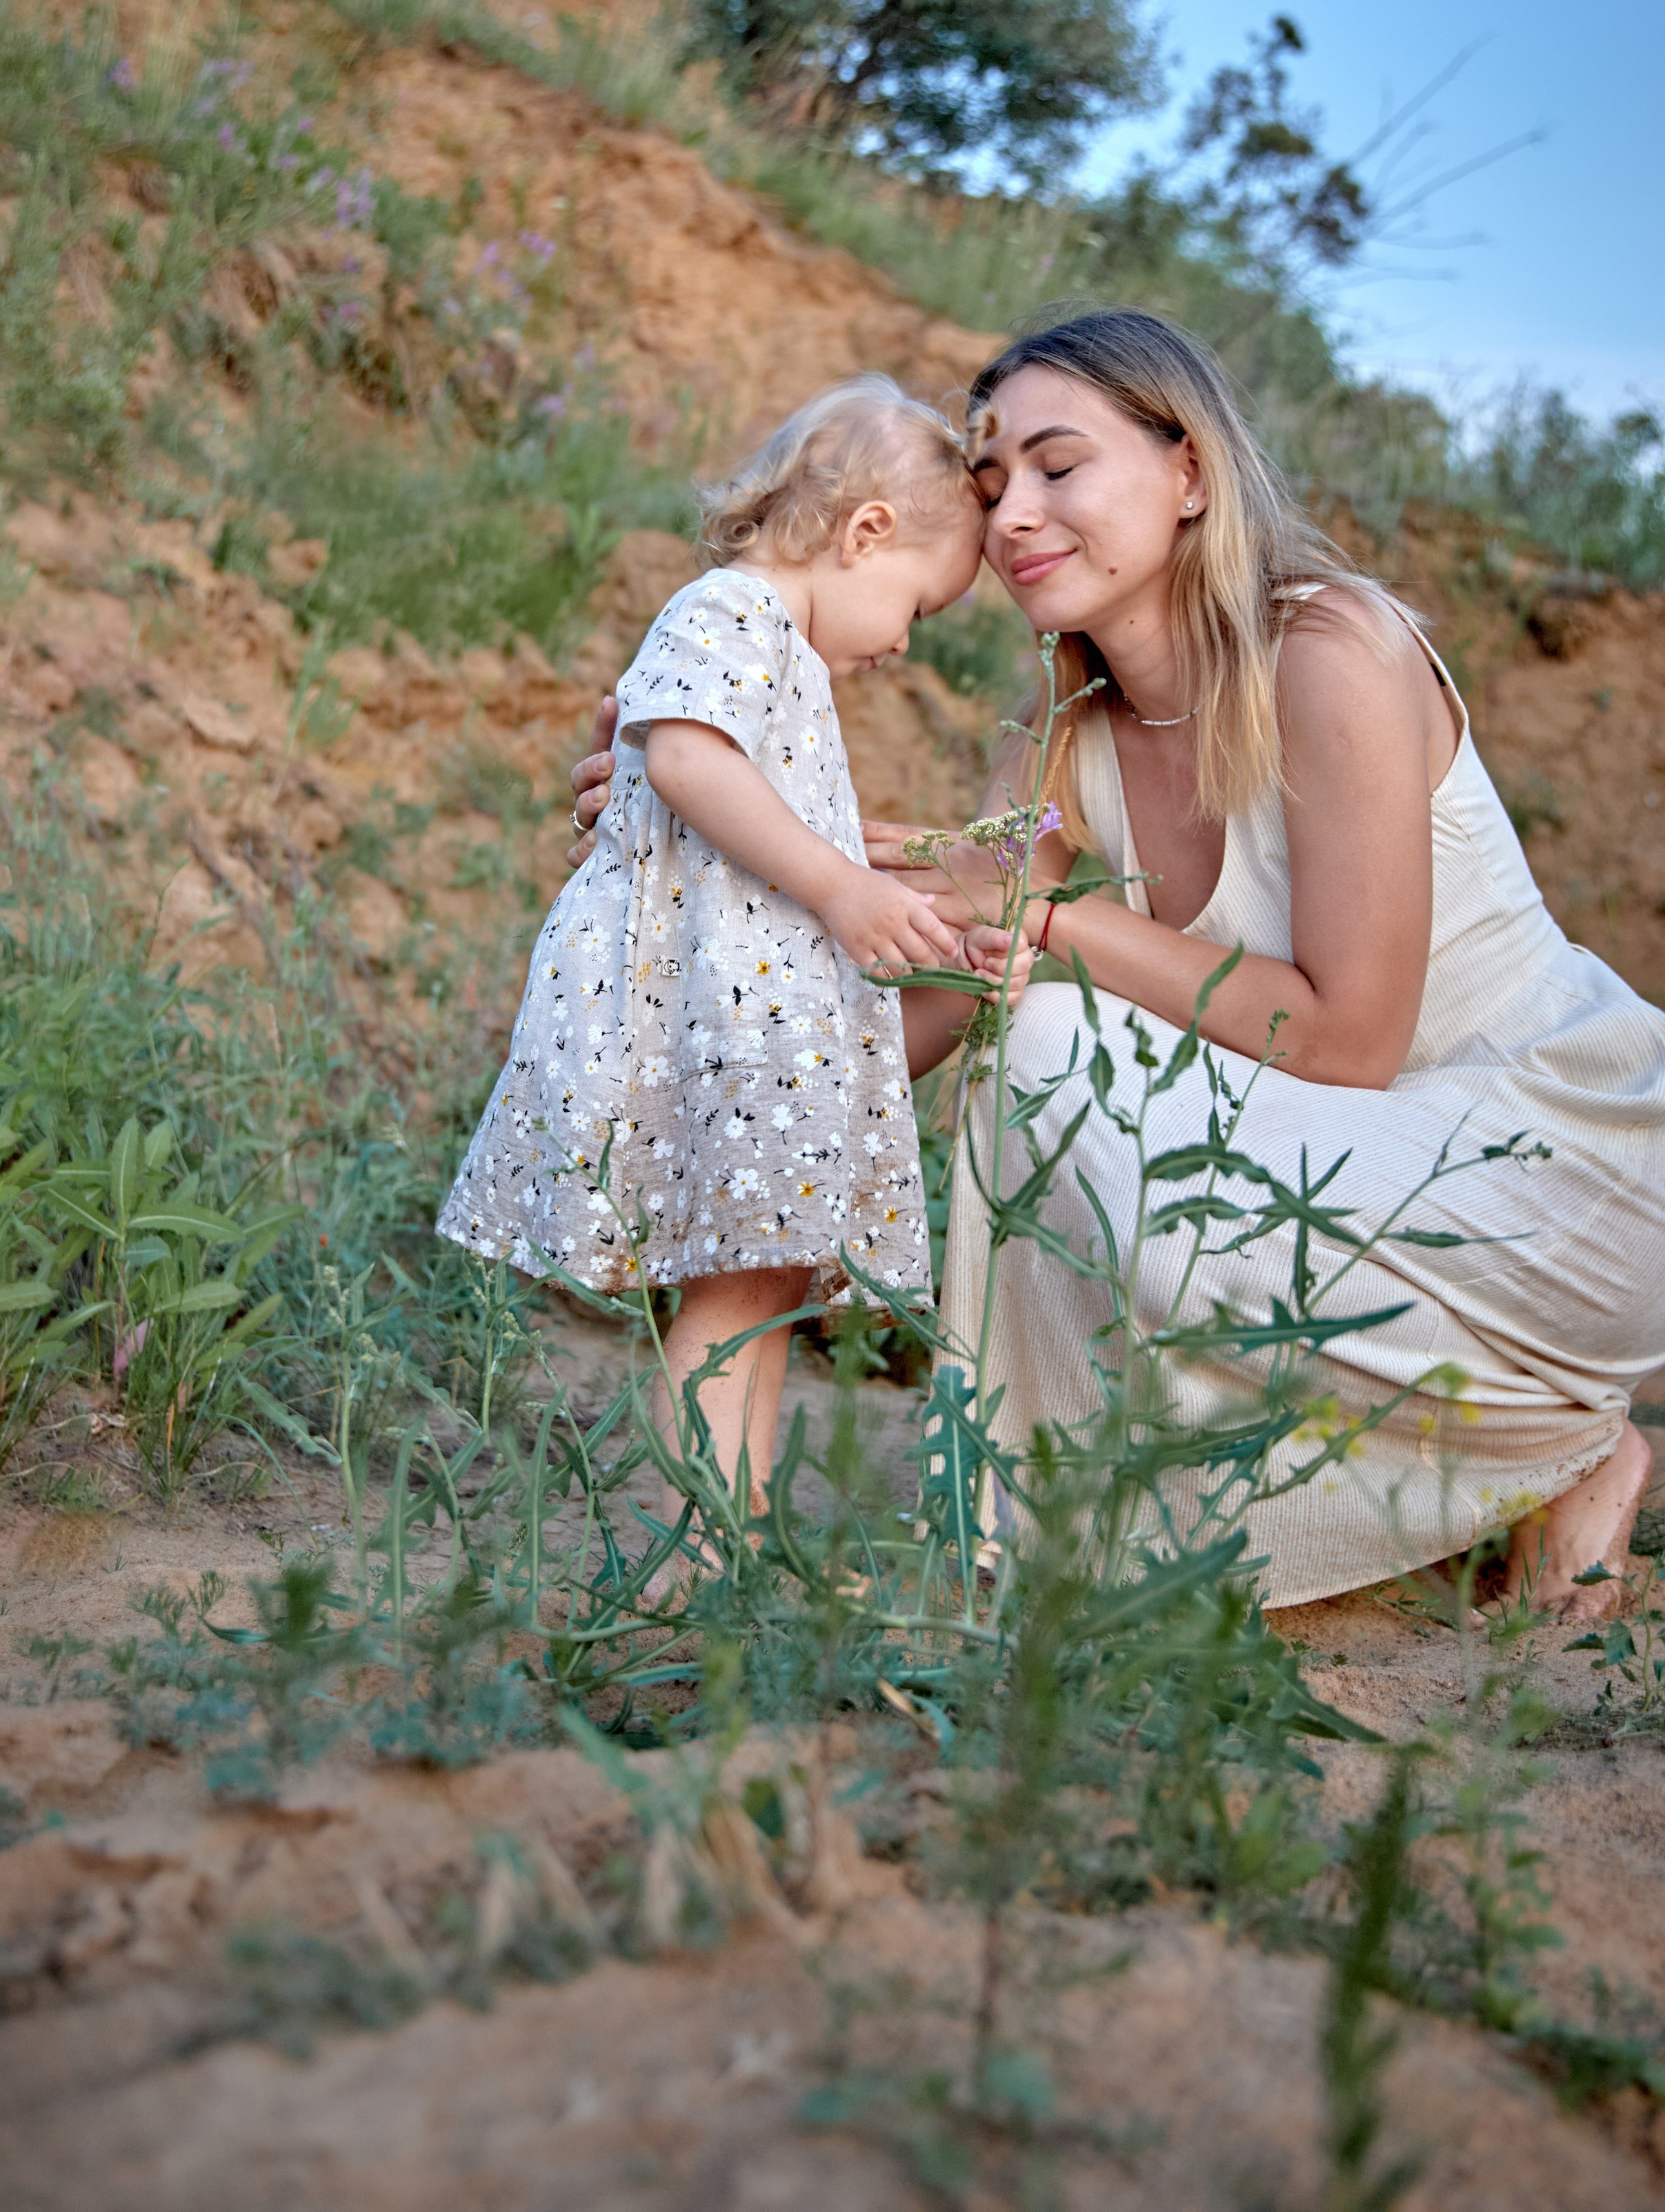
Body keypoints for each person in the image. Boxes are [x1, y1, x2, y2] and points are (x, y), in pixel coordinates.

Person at [570, 313, 1664, 1625]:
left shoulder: (1331, 653)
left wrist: (1055, 919)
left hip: (1553, 1161)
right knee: (1025, 1027)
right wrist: (702, 842)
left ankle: (1560, 1444)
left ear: (1189, 469)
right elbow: (960, 944)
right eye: (990, 488)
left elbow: (1349, 1043)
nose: (1016, 513)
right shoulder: (1067, 724)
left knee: (1052, 1025)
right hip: (1358, 1176)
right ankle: (1126, 1537)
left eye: (1058, 466)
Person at [440, 373, 1019, 1596]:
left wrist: (888, 899)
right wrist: (844, 887)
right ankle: (694, 1559)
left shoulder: (779, 654)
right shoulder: (730, 612)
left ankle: (728, 1548)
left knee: (758, 1289)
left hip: (742, 1012)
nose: (905, 641)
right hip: (694, 1013)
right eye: (917, 603)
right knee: (732, 1297)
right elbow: (691, 760)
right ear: (865, 533)